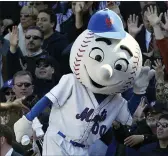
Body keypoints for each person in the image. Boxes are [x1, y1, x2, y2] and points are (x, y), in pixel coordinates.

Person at [14, 9, 155, 155]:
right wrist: (28, 119)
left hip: (83, 149)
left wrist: (138, 92)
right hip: (58, 140)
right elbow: (47, 99)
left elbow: (128, 115)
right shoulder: (72, 82)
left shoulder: (116, 99)